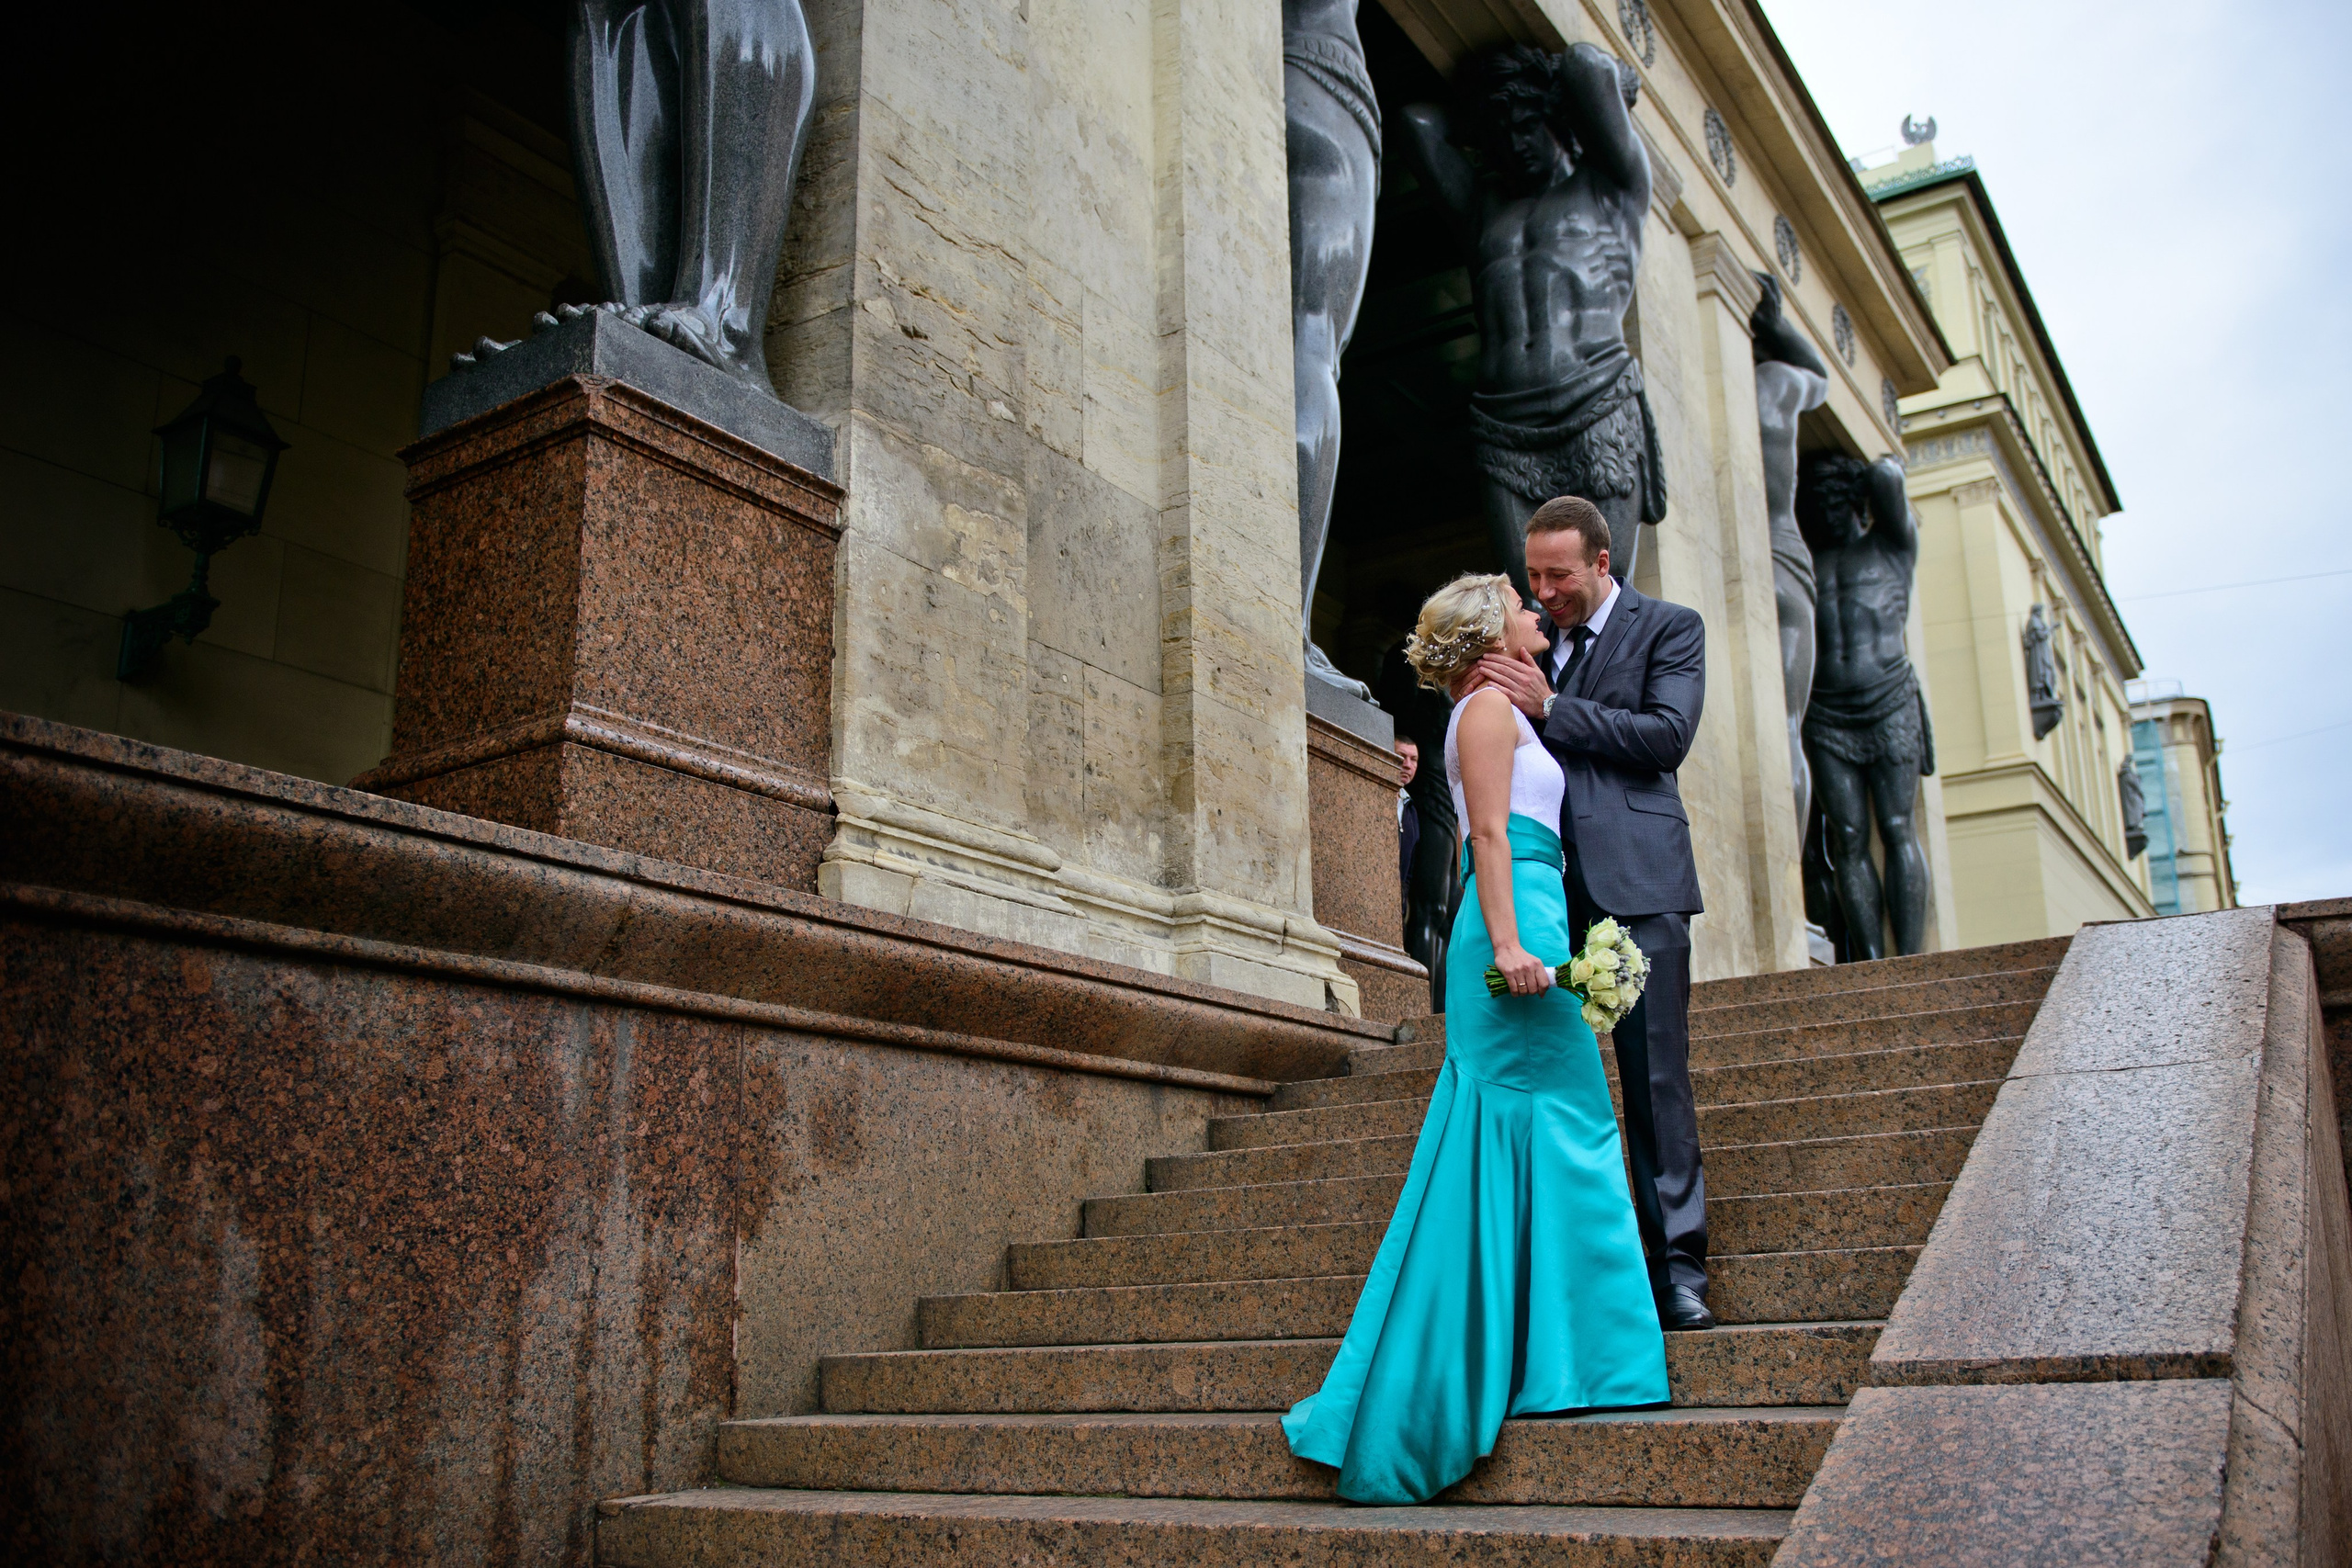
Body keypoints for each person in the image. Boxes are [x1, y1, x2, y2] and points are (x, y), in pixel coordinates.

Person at [1283, 573, 1669, 1506]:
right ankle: (1563, 1363)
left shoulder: (1501, 707)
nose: (1536, 613)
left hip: (1530, 914)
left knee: (1555, 1132)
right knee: (1564, 1130)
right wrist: (1508, 944)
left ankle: (1568, 1360)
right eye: (1518, 602)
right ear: (1490, 632)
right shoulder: (1486, 711)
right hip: (1512, 927)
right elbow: (1486, 836)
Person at [1471, 496, 1713, 1331]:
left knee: (1654, 1082)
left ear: (1603, 563)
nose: (1543, 591)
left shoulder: (1670, 628)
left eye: (1558, 575)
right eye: (1532, 575)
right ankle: (1579, 1275)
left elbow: (1667, 735)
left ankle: (1678, 1267)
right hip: (1547, 899)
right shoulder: (1527, 642)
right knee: (1566, 1091)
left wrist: (1553, 707)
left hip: (1639, 885)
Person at [1397, 42, 1667, 599]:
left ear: (1557, 118)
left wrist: (1594, 92)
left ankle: (1603, 691)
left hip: (1596, 401)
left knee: (1604, 602)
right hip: (1505, 425)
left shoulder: (1612, 187)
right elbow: (1416, 122)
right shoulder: (1483, 208)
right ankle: (1545, 693)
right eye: (1498, 136)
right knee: (1529, 606)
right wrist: (1488, 110)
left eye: (1524, 127)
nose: (1514, 147)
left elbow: (1586, 64)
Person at [1395, 737, 1421, 923]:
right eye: (1401, 756)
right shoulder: (1375, 798)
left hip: (1395, 908)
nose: (1407, 765)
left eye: (1413, 759)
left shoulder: (1410, 808)